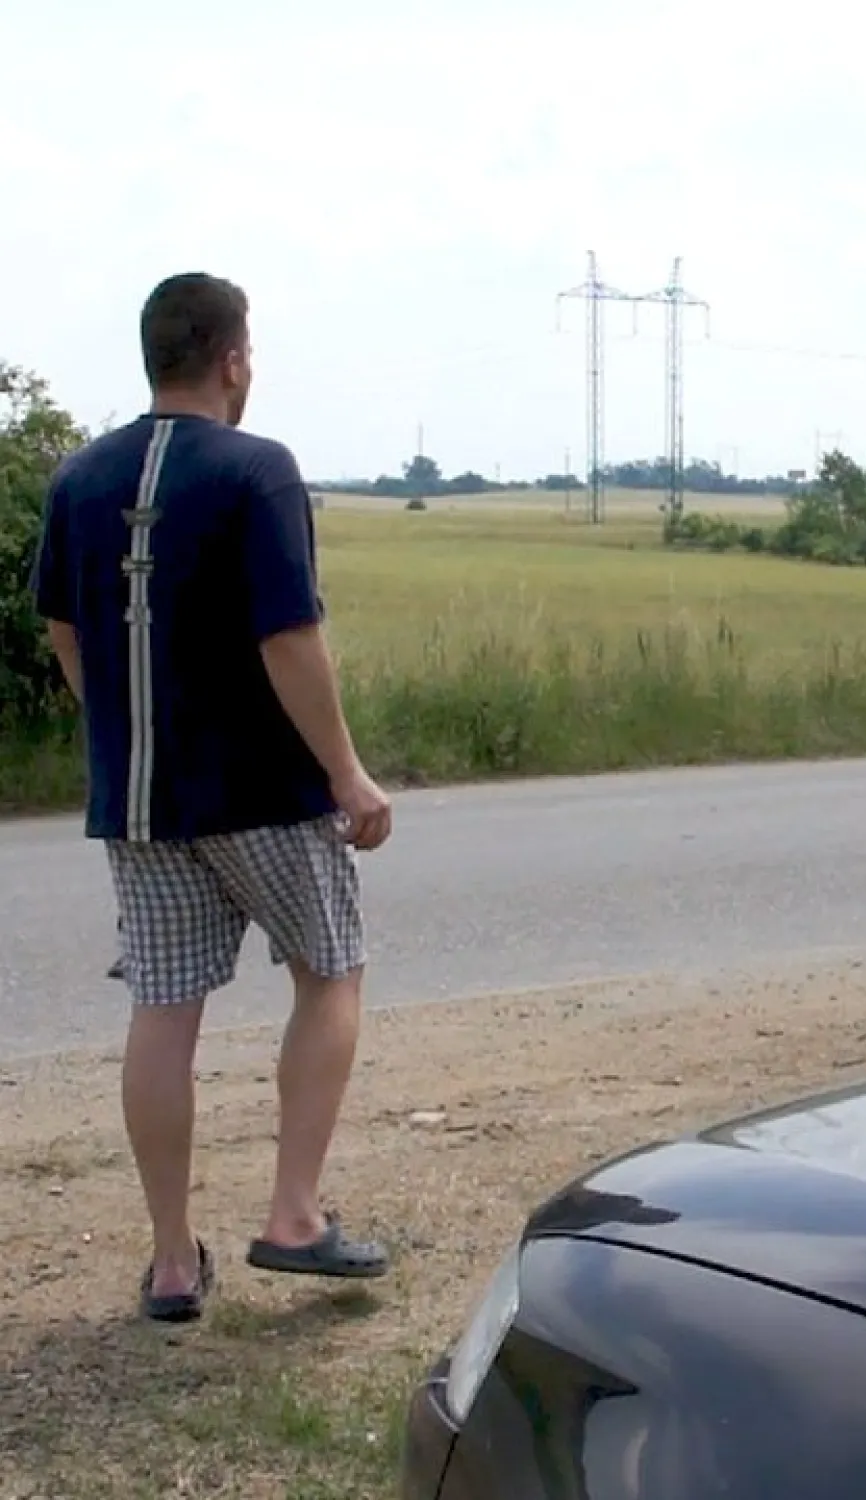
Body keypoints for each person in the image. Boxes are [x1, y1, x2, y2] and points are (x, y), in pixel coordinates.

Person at [30, 272, 394, 1323]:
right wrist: (345, 771)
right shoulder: (256, 469)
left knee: (164, 1009)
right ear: (232, 359)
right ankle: (293, 1216)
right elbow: (288, 636)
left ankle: (172, 1264)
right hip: (263, 791)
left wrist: (122, 727)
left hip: (140, 804)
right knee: (329, 971)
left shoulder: (79, 476)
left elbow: (64, 630)